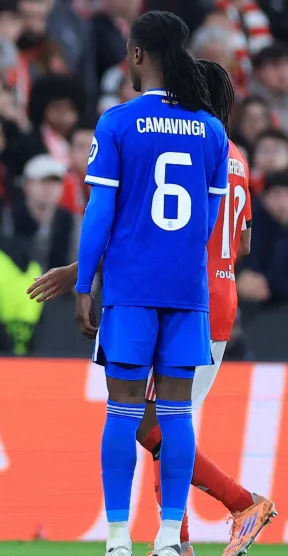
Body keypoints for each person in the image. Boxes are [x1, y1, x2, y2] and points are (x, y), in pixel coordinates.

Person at [27, 59, 278, 556]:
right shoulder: (233, 154)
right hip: (214, 298)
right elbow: (242, 242)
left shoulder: (180, 141)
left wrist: (82, 271)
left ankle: (235, 506)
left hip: (177, 298)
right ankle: (183, 537)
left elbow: (149, 232)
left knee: (156, 422)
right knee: (160, 420)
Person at [74, 11, 228, 556]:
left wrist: (84, 281)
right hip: (186, 291)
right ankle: (168, 538)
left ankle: (118, 538)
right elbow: (208, 224)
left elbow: (99, 212)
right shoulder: (212, 130)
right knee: (178, 414)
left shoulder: (118, 122)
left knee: (122, 411)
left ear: (138, 55)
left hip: (131, 289)